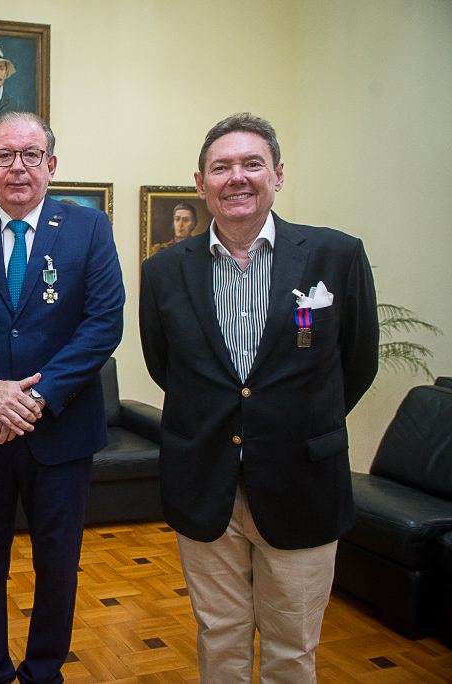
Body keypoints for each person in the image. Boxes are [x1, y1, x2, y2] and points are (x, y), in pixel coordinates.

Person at [138, 112, 379, 682]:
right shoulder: (164, 270)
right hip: (205, 484)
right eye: (221, 167)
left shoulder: (335, 258)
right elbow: (163, 364)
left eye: (252, 164)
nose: (236, 178)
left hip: (303, 483)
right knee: (219, 640)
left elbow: (357, 362)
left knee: (292, 647)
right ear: (200, 183)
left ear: (278, 175)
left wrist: (291, 422)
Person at [0, 112, 125, 684]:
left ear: (51, 166)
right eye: (5, 155)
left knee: (57, 563)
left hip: (59, 432)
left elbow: (103, 323)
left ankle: (43, 671)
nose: (18, 167)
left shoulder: (89, 229)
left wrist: (34, 399)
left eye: (31, 155)